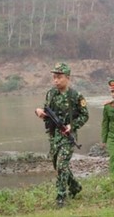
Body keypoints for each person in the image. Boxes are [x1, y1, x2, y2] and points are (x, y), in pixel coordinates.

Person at [35, 62, 89, 207]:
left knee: (62, 165)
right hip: (53, 135)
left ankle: (60, 196)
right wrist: (40, 112)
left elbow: (85, 116)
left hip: (67, 137)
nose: (56, 80)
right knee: (57, 165)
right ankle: (75, 186)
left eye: (59, 77)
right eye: (54, 77)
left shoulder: (76, 96)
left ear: (67, 77)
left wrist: (72, 126)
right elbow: (47, 112)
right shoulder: (51, 93)